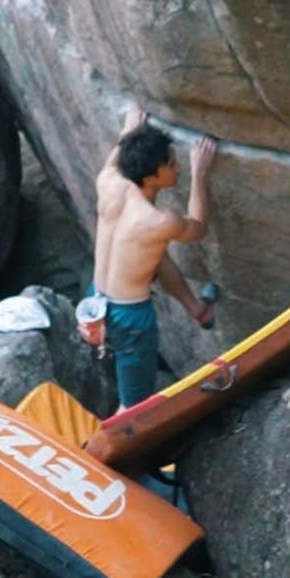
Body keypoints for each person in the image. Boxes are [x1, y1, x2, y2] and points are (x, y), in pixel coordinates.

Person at [92, 105, 218, 409]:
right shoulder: (159, 221)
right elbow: (197, 228)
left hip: (95, 301)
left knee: (151, 250)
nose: (179, 167)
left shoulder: (107, 179)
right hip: (130, 319)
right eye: (171, 164)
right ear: (151, 178)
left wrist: (128, 132)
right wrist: (200, 172)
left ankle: (197, 309)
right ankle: (118, 453)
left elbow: (119, 156)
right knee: (134, 406)